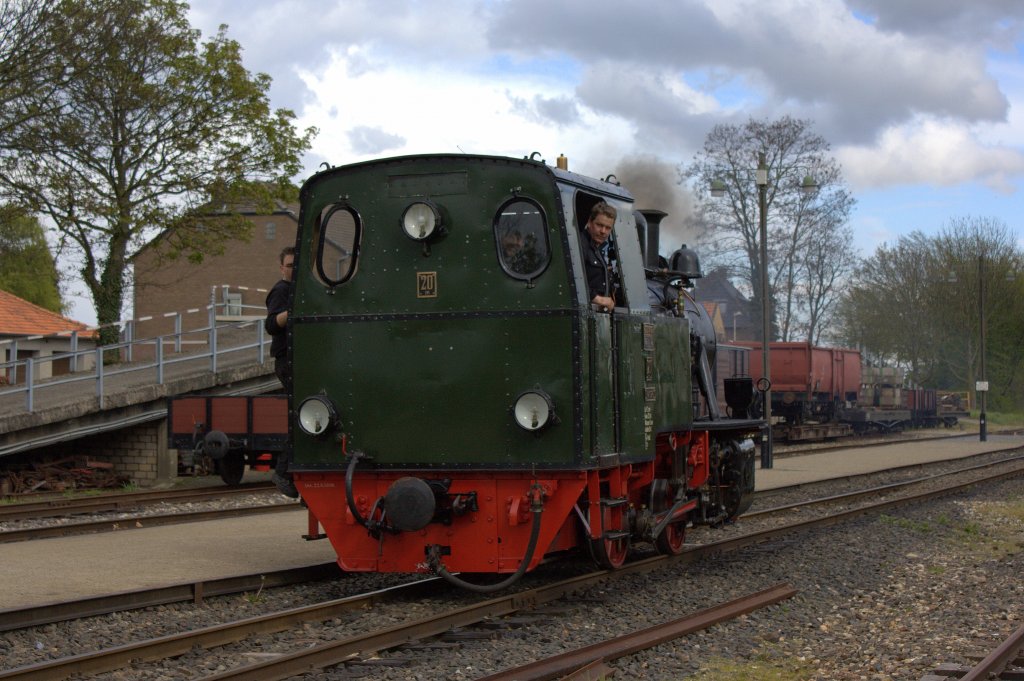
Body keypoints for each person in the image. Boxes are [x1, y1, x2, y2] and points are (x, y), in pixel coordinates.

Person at [266, 246, 298, 498]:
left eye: (295, 264)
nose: (292, 268)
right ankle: (284, 471)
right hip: (288, 358)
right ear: (281, 268)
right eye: (289, 265)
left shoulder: (299, 290)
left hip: (299, 358)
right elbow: (271, 324)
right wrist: (294, 310)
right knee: (301, 414)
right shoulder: (281, 291)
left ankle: (291, 471)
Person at [582, 202, 617, 310]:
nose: (603, 231)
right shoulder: (580, 244)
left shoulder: (599, 249)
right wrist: (599, 299)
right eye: (599, 225)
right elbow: (569, 280)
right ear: (589, 222)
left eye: (607, 228)